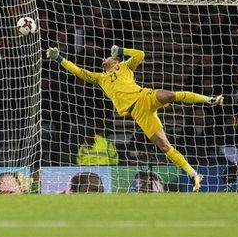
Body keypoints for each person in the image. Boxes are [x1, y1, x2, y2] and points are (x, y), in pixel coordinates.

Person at [47, 45, 224, 192]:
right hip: (139, 114)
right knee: (164, 146)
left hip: (144, 97)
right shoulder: (100, 78)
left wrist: (122, 50)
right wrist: (59, 58)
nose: (104, 60)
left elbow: (141, 54)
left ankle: (210, 99)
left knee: (170, 95)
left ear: (115, 61)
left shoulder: (124, 66)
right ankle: (193, 174)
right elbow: (78, 71)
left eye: (108, 57)